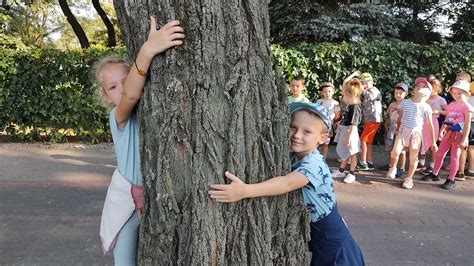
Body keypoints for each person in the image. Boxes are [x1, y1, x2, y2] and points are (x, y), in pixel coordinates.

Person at [208, 102, 365, 266]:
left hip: (335, 245)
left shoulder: (314, 163)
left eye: (307, 131)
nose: (297, 135)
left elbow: (286, 183)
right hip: (320, 238)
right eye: (293, 127)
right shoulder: (294, 156)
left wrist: (245, 191)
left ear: (323, 138)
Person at [95, 17, 184, 265]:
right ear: (105, 95)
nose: (122, 89)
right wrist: (148, 50)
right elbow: (132, 95)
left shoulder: (147, 113)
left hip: (152, 199)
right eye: (113, 87)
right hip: (126, 205)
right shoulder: (118, 117)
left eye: (126, 79)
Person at [386, 77, 437, 189]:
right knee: (395, 152)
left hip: (416, 134)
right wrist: (398, 129)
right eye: (418, 86)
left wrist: (433, 142)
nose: (420, 87)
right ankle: (393, 167)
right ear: (413, 91)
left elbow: (430, 125)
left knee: (413, 157)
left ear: (428, 93)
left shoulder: (426, 107)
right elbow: (399, 118)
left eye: (424, 86)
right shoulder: (405, 102)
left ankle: (409, 179)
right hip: (403, 130)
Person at [422, 80, 473, 189]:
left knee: (455, 156)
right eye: (454, 93)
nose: (457, 96)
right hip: (449, 133)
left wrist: (464, 139)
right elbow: (447, 118)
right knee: (440, 153)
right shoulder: (451, 104)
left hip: (458, 135)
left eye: (460, 93)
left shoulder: (467, 107)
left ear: (467, 93)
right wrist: (442, 129)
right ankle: (434, 173)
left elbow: (467, 124)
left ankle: (451, 179)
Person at [331, 74, 363, 184]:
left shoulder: (355, 106)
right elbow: (345, 82)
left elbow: (354, 124)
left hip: (350, 132)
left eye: (344, 94)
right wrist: (354, 75)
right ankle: (341, 170)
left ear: (350, 95)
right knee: (345, 152)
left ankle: (352, 173)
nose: (342, 96)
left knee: (352, 152)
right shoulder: (349, 103)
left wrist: (348, 137)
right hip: (345, 129)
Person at [419, 78, 447, 175]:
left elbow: (448, 112)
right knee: (422, 143)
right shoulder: (424, 98)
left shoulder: (441, 99)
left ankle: (432, 165)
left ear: (437, 89)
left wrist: (438, 111)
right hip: (422, 122)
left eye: (433, 89)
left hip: (433, 122)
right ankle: (421, 164)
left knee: (432, 144)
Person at [381, 82, 409, 178]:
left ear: (406, 94)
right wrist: (386, 124)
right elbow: (388, 116)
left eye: (400, 93)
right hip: (392, 128)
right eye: (396, 93)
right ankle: (391, 165)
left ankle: (401, 168)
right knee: (391, 147)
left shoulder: (407, 105)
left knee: (401, 150)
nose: (398, 95)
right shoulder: (392, 105)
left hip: (402, 129)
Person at [356, 73, 382, 171]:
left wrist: (362, 89)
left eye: (366, 83)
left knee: (363, 139)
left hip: (373, 119)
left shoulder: (374, 90)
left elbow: (370, 97)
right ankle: (369, 161)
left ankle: (363, 162)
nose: (364, 85)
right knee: (368, 141)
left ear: (372, 82)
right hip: (370, 119)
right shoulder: (368, 91)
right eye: (363, 83)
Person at [454, 72, 472, 180]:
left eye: (461, 80)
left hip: (467, 124)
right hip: (459, 124)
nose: (458, 83)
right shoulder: (457, 94)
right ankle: (458, 169)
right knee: (459, 148)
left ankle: (461, 171)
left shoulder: (467, 95)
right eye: (457, 80)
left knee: (463, 148)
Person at [316, 82, 341, 159]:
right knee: (316, 141)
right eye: (325, 91)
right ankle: (315, 156)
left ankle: (324, 157)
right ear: (322, 92)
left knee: (326, 142)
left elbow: (337, 115)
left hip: (329, 125)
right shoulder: (319, 101)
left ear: (333, 92)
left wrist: (334, 123)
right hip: (319, 124)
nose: (327, 93)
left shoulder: (335, 103)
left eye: (329, 91)